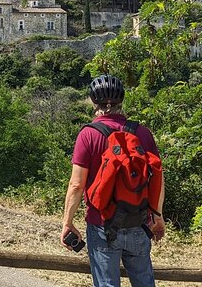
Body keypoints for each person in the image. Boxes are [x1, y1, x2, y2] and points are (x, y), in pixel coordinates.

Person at [61, 75, 165, 287]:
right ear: (121, 102)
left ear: (93, 101)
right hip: (139, 223)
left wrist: (67, 223)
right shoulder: (143, 133)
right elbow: (158, 178)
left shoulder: (88, 135)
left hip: (102, 225)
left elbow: (76, 185)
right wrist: (157, 216)